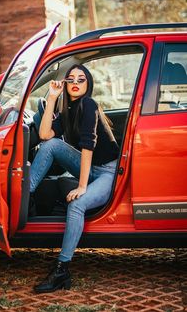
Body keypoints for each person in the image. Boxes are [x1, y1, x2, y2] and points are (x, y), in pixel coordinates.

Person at [29, 64, 119, 293]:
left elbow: (88, 146)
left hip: (108, 172)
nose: (76, 82)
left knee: (77, 204)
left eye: (81, 79)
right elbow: (44, 135)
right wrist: (51, 98)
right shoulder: (68, 109)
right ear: (66, 84)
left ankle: (62, 270)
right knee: (51, 145)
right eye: (71, 79)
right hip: (90, 169)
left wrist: (81, 186)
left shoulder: (89, 104)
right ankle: (25, 194)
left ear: (88, 84)